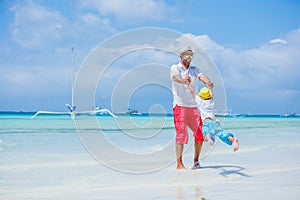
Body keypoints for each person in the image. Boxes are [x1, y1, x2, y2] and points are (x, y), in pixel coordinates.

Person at [170, 46, 214, 169]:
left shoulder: (194, 69)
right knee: (181, 134)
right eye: (187, 55)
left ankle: (196, 161)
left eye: (191, 55)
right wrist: (184, 81)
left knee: (200, 133)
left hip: (194, 107)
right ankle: (179, 164)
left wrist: (207, 82)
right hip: (180, 106)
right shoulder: (175, 68)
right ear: (181, 56)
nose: (189, 58)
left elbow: (201, 76)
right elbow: (174, 77)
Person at [188, 85, 239, 152]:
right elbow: (211, 94)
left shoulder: (200, 102)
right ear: (208, 96)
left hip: (206, 121)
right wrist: (210, 87)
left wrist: (188, 84)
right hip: (215, 122)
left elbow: (193, 92)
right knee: (221, 133)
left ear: (201, 96)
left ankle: (209, 138)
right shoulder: (211, 102)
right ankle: (233, 140)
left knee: (205, 131)